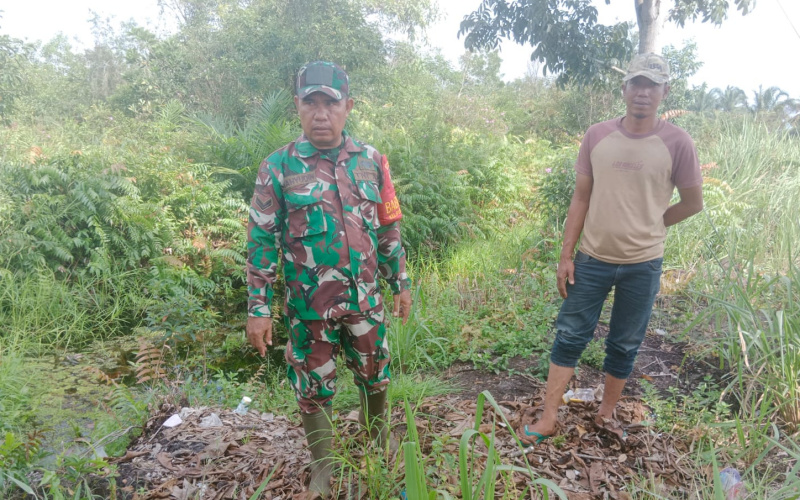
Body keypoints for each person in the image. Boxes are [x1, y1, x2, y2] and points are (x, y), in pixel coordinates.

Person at [245, 61, 412, 497]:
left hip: (366, 301)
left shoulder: (372, 161)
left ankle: (377, 441)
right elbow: (261, 239)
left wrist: (402, 282)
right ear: (297, 106)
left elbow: (389, 225)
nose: (321, 113)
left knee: (376, 376)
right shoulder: (278, 166)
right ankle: (323, 466)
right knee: (312, 388)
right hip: (309, 309)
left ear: (348, 107)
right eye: (311, 103)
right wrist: (257, 310)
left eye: (331, 103)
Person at [519, 53, 704, 444]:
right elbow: (580, 198)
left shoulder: (678, 143)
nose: (643, 92)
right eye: (636, 83)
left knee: (624, 343)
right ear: (624, 89)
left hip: (644, 263)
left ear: (665, 91)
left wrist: (654, 223)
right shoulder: (597, 135)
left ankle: (606, 413)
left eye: (652, 84)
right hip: (592, 259)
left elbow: (693, 202)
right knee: (569, 335)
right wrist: (566, 256)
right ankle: (549, 417)